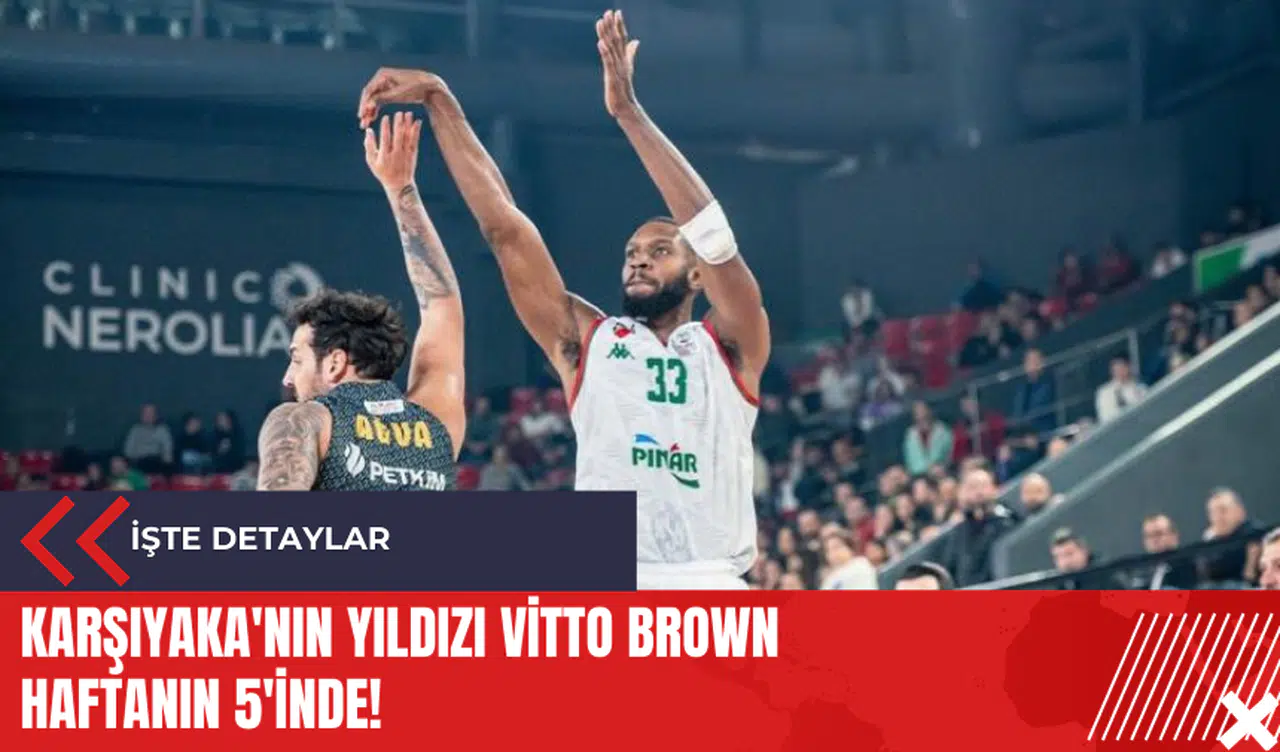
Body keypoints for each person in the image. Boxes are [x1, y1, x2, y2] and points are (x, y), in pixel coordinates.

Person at [357, 11, 769, 589]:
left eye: (659, 250)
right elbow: (505, 227)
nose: (639, 259)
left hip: (711, 584)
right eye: (631, 251)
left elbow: (714, 239)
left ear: (697, 274)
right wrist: (439, 99)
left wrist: (629, 114)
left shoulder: (731, 343)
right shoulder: (588, 342)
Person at [256, 113, 465, 491]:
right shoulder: (438, 424)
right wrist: (401, 188)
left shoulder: (304, 421)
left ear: (335, 362)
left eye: (297, 359)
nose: (287, 377)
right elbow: (442, 303)